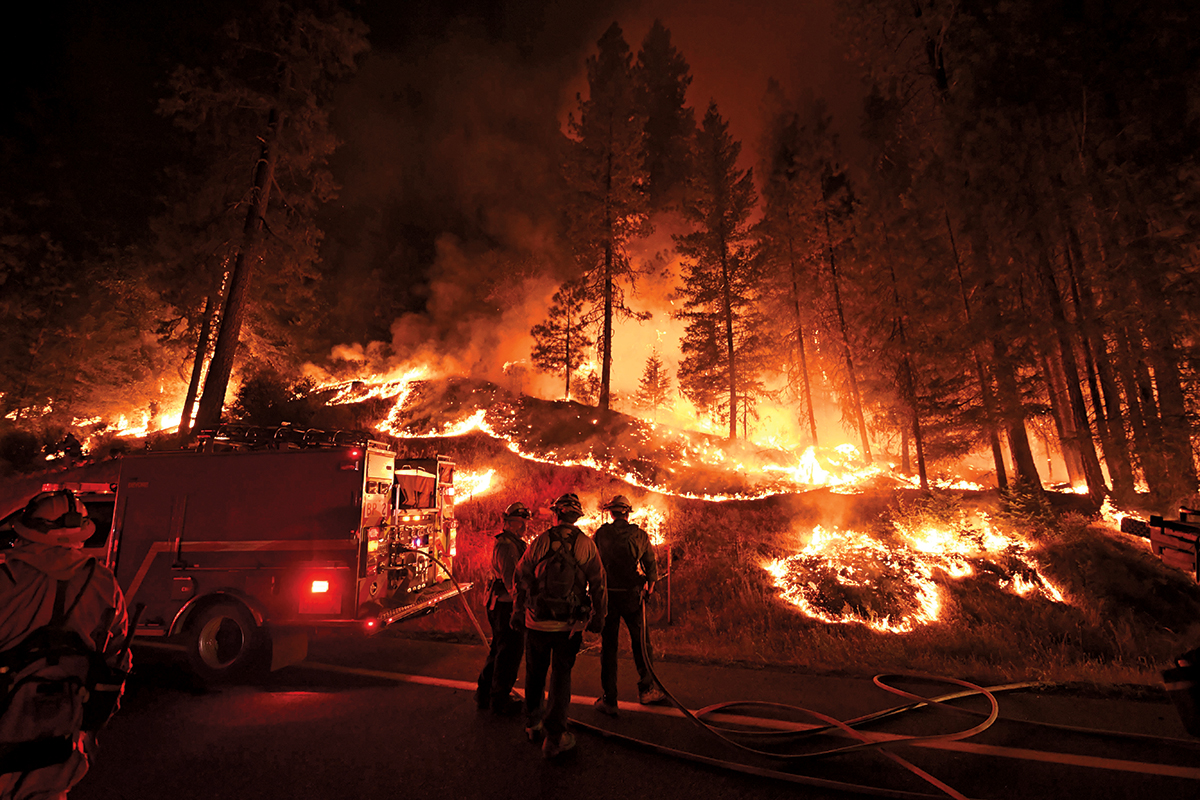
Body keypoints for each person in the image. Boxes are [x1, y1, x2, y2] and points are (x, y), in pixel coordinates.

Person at [0, 490, 131, 800]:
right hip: (62, 743)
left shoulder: (5, 581)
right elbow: (118, 661)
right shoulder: (103, 583)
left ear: (27, 531)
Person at [513, 493, 606, 759]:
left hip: (536, 622)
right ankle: (555, 738)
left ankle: (533, 723)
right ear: (576, 517)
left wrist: (519, 610)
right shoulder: (585, 545)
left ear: (556, 515)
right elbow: (599, 583)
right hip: (568, 626)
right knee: (561, 677)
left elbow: (520, 576)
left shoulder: (540, 542)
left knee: (535, 672)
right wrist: (599, 615)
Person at [592, 495, 664, 715]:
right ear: (627, 513)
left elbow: (593, 564)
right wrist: (649, 589)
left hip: (609, 597)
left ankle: (609, 699)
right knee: (641, 643)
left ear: (612, 513)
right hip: (632, 597)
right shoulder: (639, 535)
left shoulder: (601, 534)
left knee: (609, 647)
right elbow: (650, 566)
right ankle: (647, 689)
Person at [474, 502, 531, 715]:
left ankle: (485, 694)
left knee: (499, 649)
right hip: (506, 605)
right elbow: (511, 581)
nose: (523, 527)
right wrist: (520, 606)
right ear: (508, 523)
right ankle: (499, 700)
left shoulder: (512, 542)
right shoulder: (507, 546)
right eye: (519, 522)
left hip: (501, 603)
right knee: (509, 652)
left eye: (524, 522)